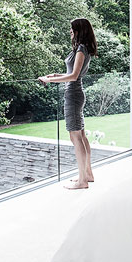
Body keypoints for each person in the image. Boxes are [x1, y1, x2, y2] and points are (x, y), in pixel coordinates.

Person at [38, 18, 97, 189]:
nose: (70, 32)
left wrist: (50, 81)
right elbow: (69, 73)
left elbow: (73, 76)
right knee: (81, 135)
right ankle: (88, 174)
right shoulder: (80, 49)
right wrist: (51, 76)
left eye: (72, 29)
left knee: (75, 136)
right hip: (75, 93)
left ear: (79, 31)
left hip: (73, 94)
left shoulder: (81, 49)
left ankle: (82, 181)